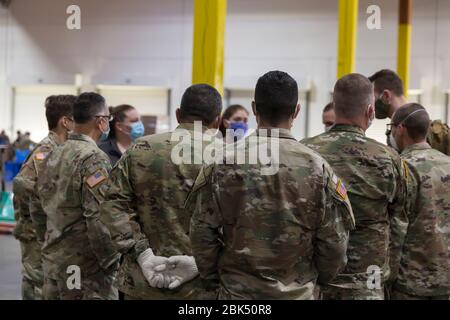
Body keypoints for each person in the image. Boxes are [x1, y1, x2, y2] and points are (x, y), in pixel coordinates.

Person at [187, 71, 355, 300]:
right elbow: (334, 245)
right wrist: (313, 281)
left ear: (254, 108)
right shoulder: (318, 167)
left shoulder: (222, 163)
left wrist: (218, 278)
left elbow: (201, 233)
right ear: (297, 110)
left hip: (237, 295)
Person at [99, 84, 223, 300]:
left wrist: (143, 254)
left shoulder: (140, 149)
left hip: (144, 282)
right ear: (218, 120)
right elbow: (244, 224)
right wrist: (203, 261)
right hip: (205, 288)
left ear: (178, 114)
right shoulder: (230, 157)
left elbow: (112, 205)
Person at [302, 73, 407, 300]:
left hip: (315, 283)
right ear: (370, 112)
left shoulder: (305, 153)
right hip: (367, 283)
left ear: (336, 108)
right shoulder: (389, 158)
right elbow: (400, 220)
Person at [37, 92, 119, 300]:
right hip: (84, 269)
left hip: (54, 262)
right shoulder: (93, 158)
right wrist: (111, 262)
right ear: (101, 122)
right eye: (108, 118)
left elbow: (38, 203)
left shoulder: (55, 152)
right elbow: (98, 218)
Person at [12, 95, 76, 300]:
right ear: (65, 122)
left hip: (47, 234)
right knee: (37, 283)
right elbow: (22, 185)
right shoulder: (47, 151)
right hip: (37, 236)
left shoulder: (60, 150)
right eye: (78, 118)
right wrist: (34, 223)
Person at [388, 103, 449, 300]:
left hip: (410, 283)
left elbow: (396, 229)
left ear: (400, 129)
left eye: (391, 128)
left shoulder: (401, 168)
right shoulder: (447, 164)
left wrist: (388, 278)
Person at [369, 69, 450, 155]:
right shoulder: (392, 134)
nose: (371, 103)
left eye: (373, 97)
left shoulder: (439, 136)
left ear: (386, 96)